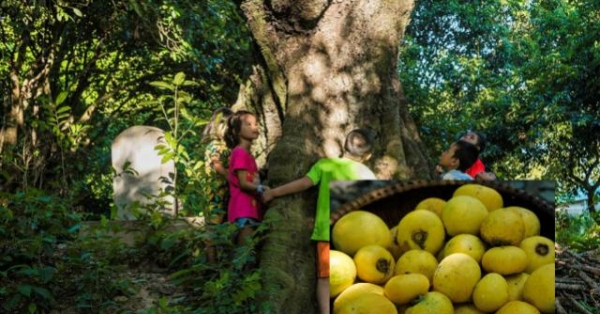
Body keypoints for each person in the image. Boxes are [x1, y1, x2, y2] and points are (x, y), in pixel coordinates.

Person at [261, 128, 377, 314]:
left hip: (326, 231)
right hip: (358, 233)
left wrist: (273, 192)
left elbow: (303, 183)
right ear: (368, 155)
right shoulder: (368, 175)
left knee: (325, 277)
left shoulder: (325, 165)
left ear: (343, 146)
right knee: (361, 273)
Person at [224, 110, 266, 257]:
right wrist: (263, 189)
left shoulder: (248, 155)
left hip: (251, 209)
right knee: (244, 254)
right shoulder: (240, 152)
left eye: (256, 124)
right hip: (243, 210)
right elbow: (243, 183)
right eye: (248, 124)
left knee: (249, 251)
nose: (254, 127)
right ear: (236, 131)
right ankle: (238, 279)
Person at [201, 107, 233, 263]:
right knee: (212, 230)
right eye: (225, 125)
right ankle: (211, 265)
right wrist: (231, 177)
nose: (228, 129)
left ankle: (221, 262)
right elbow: (217, 165)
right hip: (215, 194)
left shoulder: (227, 146)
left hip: (226, 193)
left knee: (224, 227)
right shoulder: (215, 145)